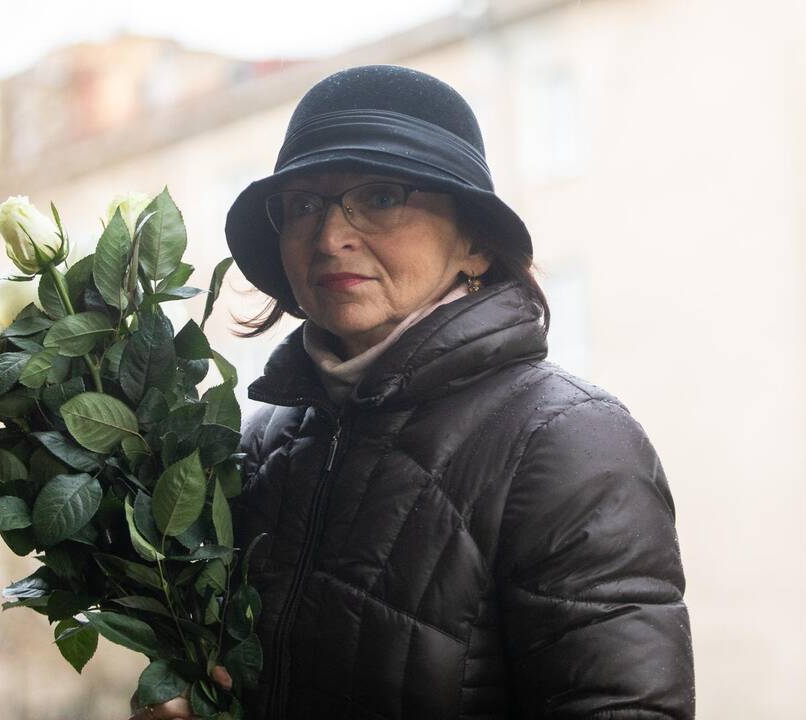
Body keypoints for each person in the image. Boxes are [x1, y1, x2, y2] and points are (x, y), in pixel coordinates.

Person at [130, 64, 695, 720]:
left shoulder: (569, 443)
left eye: (380, 196)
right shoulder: (261, 445)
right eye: (304, 205)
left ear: (476, 244)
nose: (329, 236)